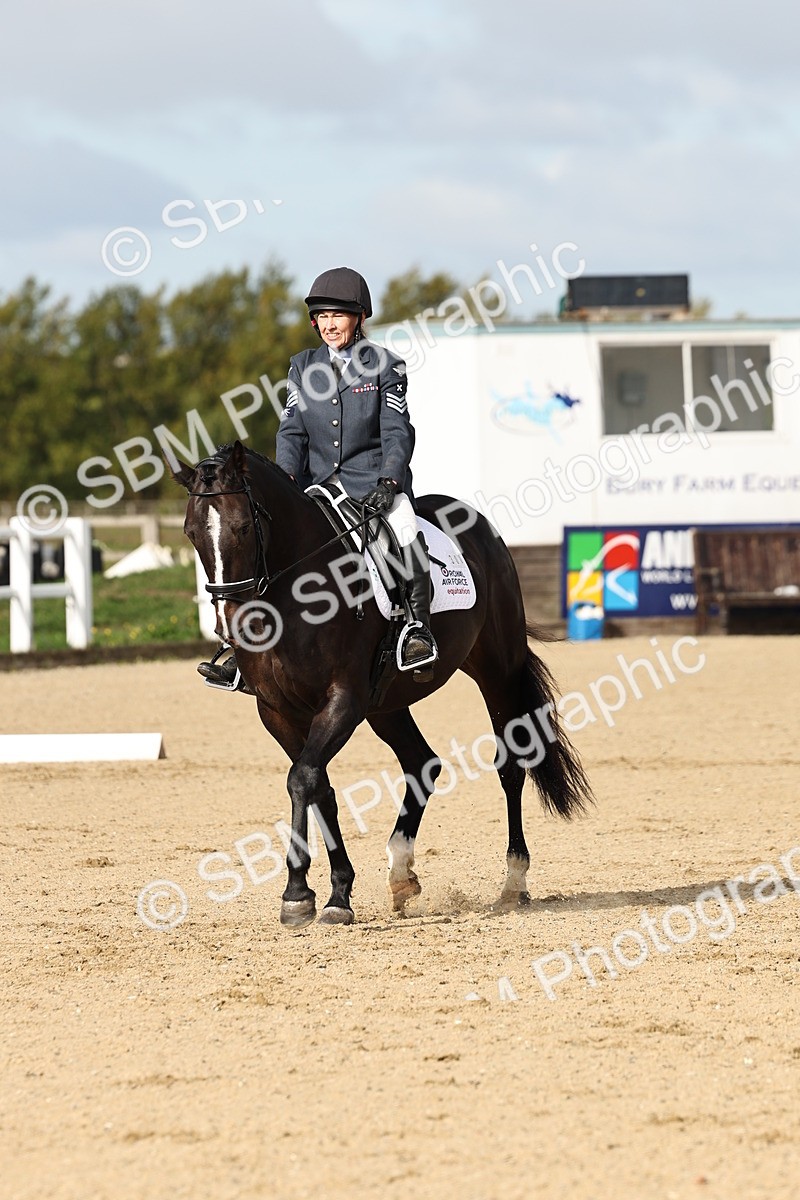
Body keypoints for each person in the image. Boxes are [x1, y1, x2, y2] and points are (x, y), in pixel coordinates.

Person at [198, 266, 438, 690]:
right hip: (318, 486)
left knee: (403, 530)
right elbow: (291, 430)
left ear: (359, 317)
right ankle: (244, 652)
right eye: (322, 316)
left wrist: (390, 482)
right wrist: (286, 477)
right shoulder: (302, 367)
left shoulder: (385, 366)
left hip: (374, 485)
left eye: (338, 316)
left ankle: (417, 630)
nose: (328, 324)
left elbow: (398, 431)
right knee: (270, 544)